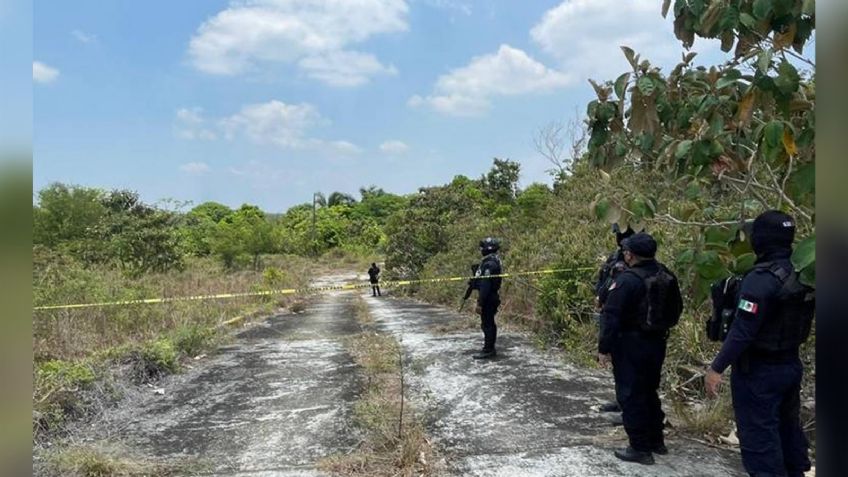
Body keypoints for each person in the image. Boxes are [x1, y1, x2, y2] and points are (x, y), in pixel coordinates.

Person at [704, 211, 813, 477]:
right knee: (787, 430)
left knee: (759, 441)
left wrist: (716, 368)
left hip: (758, 373)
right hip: (789, 365)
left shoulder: (760, 280)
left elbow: (743, 331)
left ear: (762, 240)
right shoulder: (804, 273)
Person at [598, 233, 682, 465]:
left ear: (629, 254)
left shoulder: (627, 280)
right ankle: (657, 441)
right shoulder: (666, 274)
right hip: (657, 342)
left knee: (631, 394)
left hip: (630, 344)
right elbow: (677, 309)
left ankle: (639, 447)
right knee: (649, 391)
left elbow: (611, 316)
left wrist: (603, 349)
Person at [594, 224, 636, 422]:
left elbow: (618, 285)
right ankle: (621, 401)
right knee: (618, 364)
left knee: (626, 365)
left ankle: (627, 408)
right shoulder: (618, 256)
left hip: (622, 317)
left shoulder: (632, 258)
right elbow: (606, 279)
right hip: (609, 310)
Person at [472, 237, 502, 360]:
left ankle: (488, 349)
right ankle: (489, 348)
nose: (481, 250)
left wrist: (480, 302)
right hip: (490, 296)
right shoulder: (492, 261)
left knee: (488, 324)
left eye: (482, 247)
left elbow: (486, 284)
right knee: (488, 323)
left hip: (489, 297)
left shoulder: (490, 264)